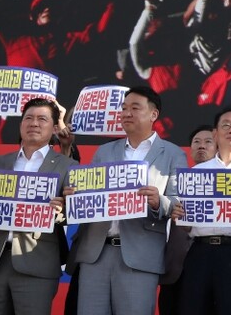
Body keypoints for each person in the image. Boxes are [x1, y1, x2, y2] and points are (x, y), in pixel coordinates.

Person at [65, 86, 186, 315]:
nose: (126, 113)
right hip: (95, 253)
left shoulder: (172, 154)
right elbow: (91, 193)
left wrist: (158, 201)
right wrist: (76, 196)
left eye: (135, 108)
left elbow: (178, 204)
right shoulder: (104, 152)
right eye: (124, 108)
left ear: (153, 114)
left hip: (140, 256)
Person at [0, 98, 74, 315]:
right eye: (29, 118)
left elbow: (75, 210)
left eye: (42, 119)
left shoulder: (68, 165)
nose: (34, 123)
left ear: (55, 128)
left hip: (37, 263)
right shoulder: (0, 163)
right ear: (20, 125)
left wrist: (62, 211)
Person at [171, 107, 231, 315]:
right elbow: (188, 226)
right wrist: (179, 216)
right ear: (215, 134)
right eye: (226, 125)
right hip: (200, 252)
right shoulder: (196, 173)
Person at [158, 125, 218, 315]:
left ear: (218, 147)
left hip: (211, 267)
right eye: (196, 142)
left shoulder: (228, 185)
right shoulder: (176, 182)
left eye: (208, 142)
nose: (202, 146)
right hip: (175, 270)